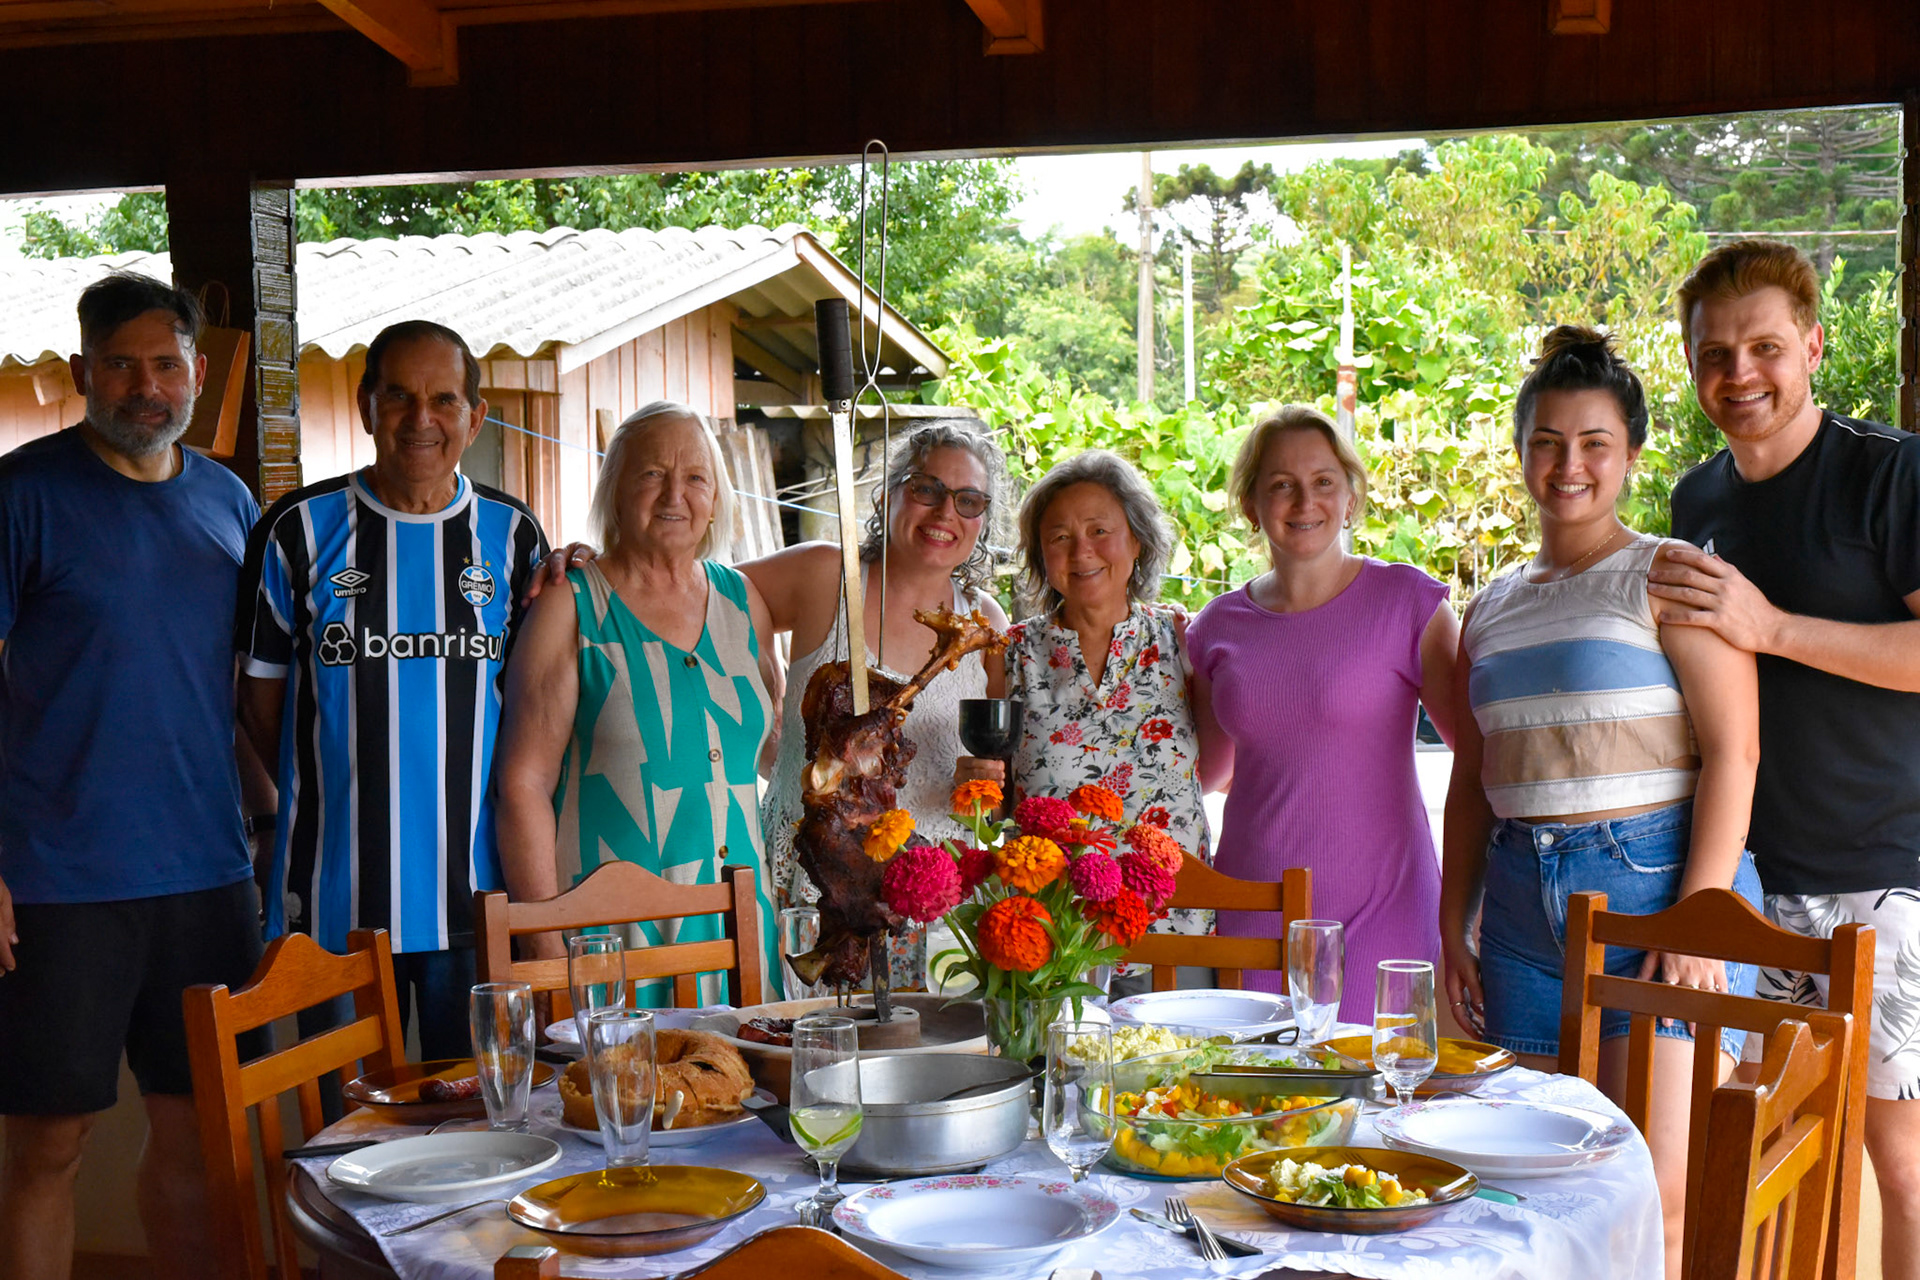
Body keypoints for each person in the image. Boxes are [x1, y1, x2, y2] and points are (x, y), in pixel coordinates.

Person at [1440, 326, 1762, 1277]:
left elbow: (1737, 751)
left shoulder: (1668, 574)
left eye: (1593, 443)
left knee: (1651, 1197)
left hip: (1657, 896)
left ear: (1629, 454)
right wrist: (1452, 916)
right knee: (1532, 1198)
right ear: (1521, 451)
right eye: (1546, 441)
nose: (1567, 464)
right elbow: (1473, 776)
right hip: (1520, 917)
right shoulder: (1490, 605)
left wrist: (1702, 918)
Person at [1645, 238, 1920, 1280]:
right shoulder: (1695, 503)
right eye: (1714, 354)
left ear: (1812, 343)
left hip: (1890, 868)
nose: (1740, 374)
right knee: (1764, 1153)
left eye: (1764, 345)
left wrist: (1774, 626)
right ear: (1689, 366)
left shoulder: (1890, 471)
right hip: (1756, 883)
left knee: (1899, 1160)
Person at [0, 273, 265, 1280]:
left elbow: (242, 687)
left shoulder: (228, 499)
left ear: (197, 372)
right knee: (48, 1146)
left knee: (201, 1134)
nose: (145, 386)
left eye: (166, 363)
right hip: (59, 882)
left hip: (206, 874)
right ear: (82, 372)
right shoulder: (22, 496)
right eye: (121, 363)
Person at [236, 320, 549, 1060]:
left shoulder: (515, 538)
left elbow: (537, 718)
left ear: (475, 417)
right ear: (365, 405)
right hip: (334, 909)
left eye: (444, 399)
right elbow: (260, 709)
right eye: (399, 396)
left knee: (480, 1135)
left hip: (475, 907)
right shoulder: (296, 532)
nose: (421, 419)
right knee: (342, 1141)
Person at [495, 402, 781, 1001]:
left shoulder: (743, 600)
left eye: (696, 477)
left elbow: (766, 748)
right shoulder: (570, 606)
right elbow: (522, 786)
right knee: (621, 1095)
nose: (675, 493)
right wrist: (547, 951)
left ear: (715, 498)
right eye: (652, 473)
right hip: (614, 937)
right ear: (616, 490)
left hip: (741, 931)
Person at [1188, 406, 1458, 1021]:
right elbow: (1205, 772)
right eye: (1281, 483)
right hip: (1255, 903)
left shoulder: (1408, 601)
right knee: (1254, 1102)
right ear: (1252, 505)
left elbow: (1475, 756)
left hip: (1383, 909)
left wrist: (1472, 899)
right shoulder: (1216, 627)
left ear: (1351, 496)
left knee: (1378, 1097)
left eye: (1323, 481)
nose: (1304, 499)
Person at [745, 422, 1012, 989]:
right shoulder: (825, 575)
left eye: (968, 501)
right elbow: (698, 595)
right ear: (890, 493)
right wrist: (766, 709)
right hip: (808, 886)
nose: (945, 513)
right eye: (926, 489)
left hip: (932, 905)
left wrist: (987, 784)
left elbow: (1009, 762)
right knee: (803, 1055)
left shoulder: (986, 622)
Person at [1000, 449, 1212, 989]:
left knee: (1179, 1073)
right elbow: (994, 790)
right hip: (1053, 940)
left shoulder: (1183, 640)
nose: (1082, 551)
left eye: (1100, 530)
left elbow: (1217, 762)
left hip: (1175, 929)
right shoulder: (1010, 654)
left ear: (1136, 541)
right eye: (1060, 537)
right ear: (1040, 556)